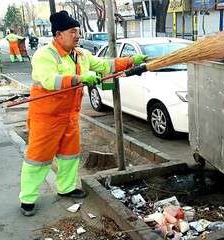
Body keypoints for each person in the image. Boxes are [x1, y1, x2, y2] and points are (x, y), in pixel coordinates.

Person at [19, 11, 147, 216]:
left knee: (70, 155)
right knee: (38, 158)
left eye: (78, 31)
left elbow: (106, 65)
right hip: (46, 117)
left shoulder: (81, 54)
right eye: (73, 31)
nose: (77, 35)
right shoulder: (45, 55)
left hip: (70, 115)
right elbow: (49, 80)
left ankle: (66, 188)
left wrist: (131, 61)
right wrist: (79, 78)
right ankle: (27, 198)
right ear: (58, 34)